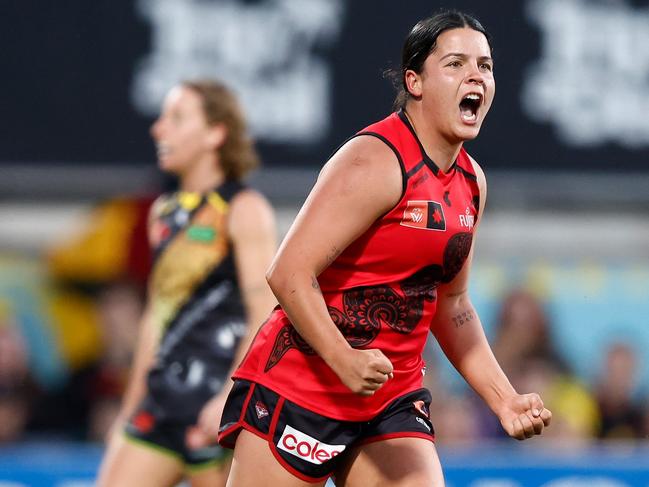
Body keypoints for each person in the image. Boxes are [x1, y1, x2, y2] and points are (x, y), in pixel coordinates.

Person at [217, 9, 552, 487]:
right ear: (414, 82)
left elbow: (451, 304)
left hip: (390, 397)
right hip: (304, 384)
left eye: (485, 65)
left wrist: (504, 398)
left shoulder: (472, 183)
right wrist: (345, 360)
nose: (476, 75)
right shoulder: (374, 160)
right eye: (456, 63)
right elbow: (288, 273)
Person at [97, 79, 277, 486]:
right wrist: (129, 410)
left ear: (216, 133)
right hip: (160, 405)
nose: (158, 129)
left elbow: (264, 315)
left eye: (176, 118)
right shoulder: (163, 212)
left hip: (215, 411)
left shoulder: (245, 209)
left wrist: (230, 401)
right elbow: (154, 319)